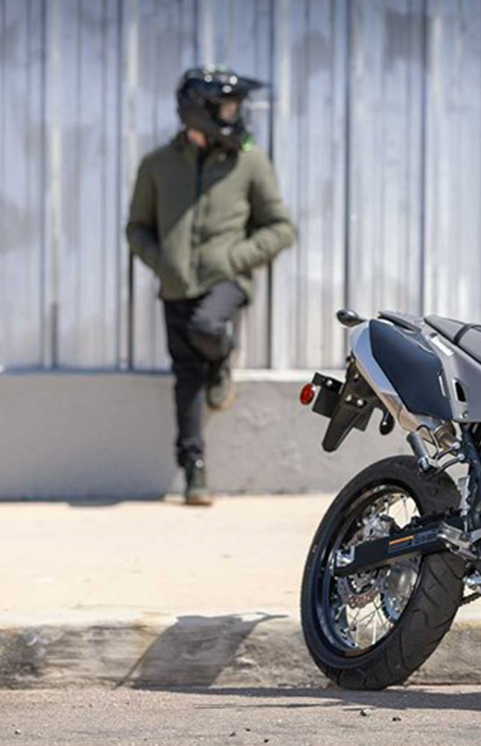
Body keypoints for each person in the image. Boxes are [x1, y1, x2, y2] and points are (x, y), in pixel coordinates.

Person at [126, 65, 296, 506]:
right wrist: (163, 264)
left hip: (225, 280)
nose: (235, 115)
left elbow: (281, 228)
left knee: (206, 327)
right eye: (227, 107)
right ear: (199, 111)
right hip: (176, 285)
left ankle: (221, 359)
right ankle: (194, 472)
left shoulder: (249, 162)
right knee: (185, 378)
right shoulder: (157, 165)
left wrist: (234, 259)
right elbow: (137, 228)